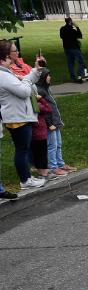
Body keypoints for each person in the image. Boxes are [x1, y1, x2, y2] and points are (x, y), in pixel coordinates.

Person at [0, 41, 46, 189]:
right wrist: (27, 79)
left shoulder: (7, 73)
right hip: (16, 117)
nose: (12, 59)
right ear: (3, 58)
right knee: (22, 149)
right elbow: (24, 91)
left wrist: (35, 71)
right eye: (9, 57)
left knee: (23, 148)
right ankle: (25, 180)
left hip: (19, 115)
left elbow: (27, 83)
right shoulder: (3, 75)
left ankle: (26, 178)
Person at [35, 65, 72, 178]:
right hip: (50, 124)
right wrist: (49, 123)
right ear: (43, 78)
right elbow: (43, 110)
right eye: (48, 75)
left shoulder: (46, 89)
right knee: (52, 145)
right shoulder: (40, 91)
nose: (50, 77)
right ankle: (53, 167)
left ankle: (60, 164)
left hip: (55, 122)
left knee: (58, 144)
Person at [59, 17, 88, 82]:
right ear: (70, 21)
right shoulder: (73, 30)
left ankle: (72, 77)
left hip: (66, 48)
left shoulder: (62, 29)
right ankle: (79, 75)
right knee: (81, 61)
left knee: (70, 63)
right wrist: (77, 27)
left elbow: (61, 36)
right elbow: (80, 36)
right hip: (74, 48)